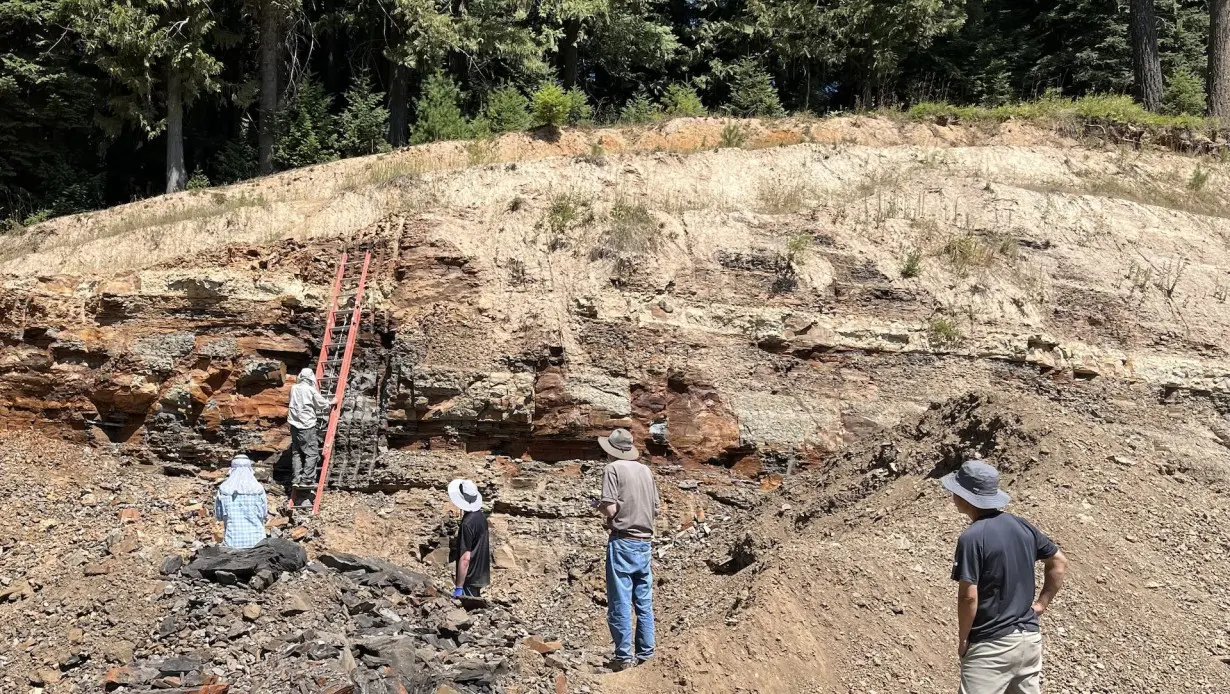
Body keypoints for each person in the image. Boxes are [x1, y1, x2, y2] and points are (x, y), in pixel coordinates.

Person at [942, 459, 1069, 694]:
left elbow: (968, 597)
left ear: (965, 496)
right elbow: (1058, 561)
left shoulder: (972, 537)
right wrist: (1041, 604)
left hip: (991, 647)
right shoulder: (1021, 525)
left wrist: (963, 639)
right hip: (1029, 641)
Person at [597, 428, 659, 671]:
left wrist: (601, 508)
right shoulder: (646, 471)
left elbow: (611, 509)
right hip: (645, 542)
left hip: (623, 541)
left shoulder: (612, 469)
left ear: (611, 450)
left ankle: (623, 657)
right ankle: (647, 654)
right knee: (643, 601)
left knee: (620, 599)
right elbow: (656, 509)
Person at [288, 367, 334, 492]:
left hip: (293, 424)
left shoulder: (293, 388)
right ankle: (307, 480)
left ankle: (296, 479)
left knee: (296, 452)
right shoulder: (310, 390)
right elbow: (321, 404)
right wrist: (331, 402)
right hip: (306, 425)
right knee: (312, 453)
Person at [214, 454, 269, 549]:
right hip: (258, 543)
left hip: (232, 543)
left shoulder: (223, 489)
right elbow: (264, 514)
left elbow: (219, 516)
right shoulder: (258, 489)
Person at [447, 478, 491, 598]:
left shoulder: (467, 524)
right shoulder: (481, 517)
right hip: (479, 575)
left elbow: (466, 558)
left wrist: (459, 587)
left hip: (469, 577)